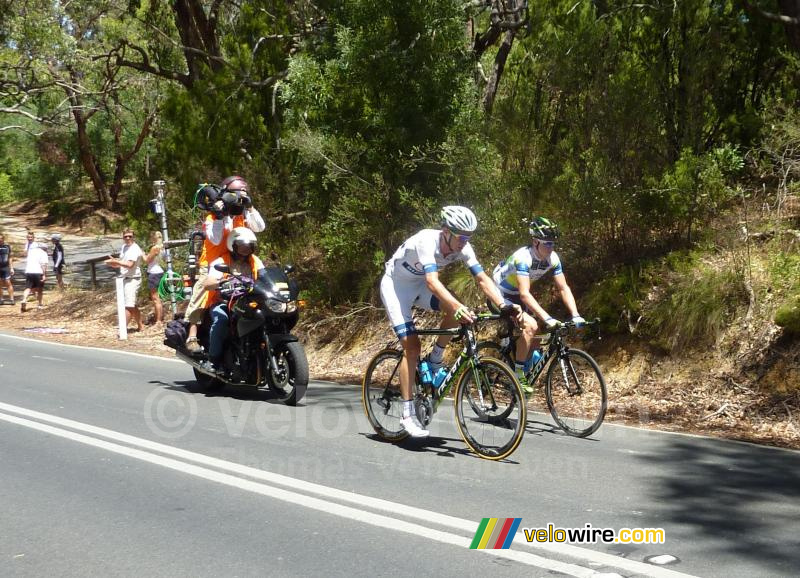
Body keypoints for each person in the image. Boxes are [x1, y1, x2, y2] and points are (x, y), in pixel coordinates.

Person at [380, 206, 522, 437]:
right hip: (396, 287)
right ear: (445, 230)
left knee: (452, 310)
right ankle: (407, 415)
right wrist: (457, 307)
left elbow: (482, 279)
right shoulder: (427, 241)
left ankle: (435, 360)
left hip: (418, 286)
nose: (464, 242)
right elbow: (432, 283)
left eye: (469, 237)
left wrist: (503, 304)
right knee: (412, 346)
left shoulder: (464, 248)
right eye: (461, 237)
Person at [492, 216, 585, 394]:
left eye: (553, 244)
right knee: (531, 325)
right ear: (535, 242)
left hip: (517, 295)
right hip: (499, 294)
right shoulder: (523, 258)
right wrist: (548, 318)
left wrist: (575, 314)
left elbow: (563, 288)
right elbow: (525, 294)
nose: (551, 247)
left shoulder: (553, 258)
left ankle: (521, 360)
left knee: (537, 335)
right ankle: (518, 376)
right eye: (547, 244)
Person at [184, 175, 266, 353]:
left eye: (244, 195)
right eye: (237, 195)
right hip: (213, 261)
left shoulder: (243, 214)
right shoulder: (213, 216)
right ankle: (192, 335)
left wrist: (250, 207)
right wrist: (220, 215)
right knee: (203, 294)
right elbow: (215, 239)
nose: (239, 199)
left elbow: (259, 227)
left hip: (239, 258)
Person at [201, 227, 267, 372]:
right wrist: (221, 283)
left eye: (249, 246)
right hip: (224, 302)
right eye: (242, 245)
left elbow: (266, 277)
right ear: (233, 245)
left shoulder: (255, 261)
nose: (245, 249)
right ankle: (213, 361)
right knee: (222, 320)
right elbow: (207, 283)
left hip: (248, 302)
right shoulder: (222, 260)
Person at [104, 228, 145, 332]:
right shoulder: (124, 247)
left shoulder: (135, 249)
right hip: (124, 278)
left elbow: (130, 265)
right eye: (125, 236)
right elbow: (122, 263)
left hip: (132, 279)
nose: (127, 238)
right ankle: (141, 326)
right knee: (131, 304)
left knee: (128, 305)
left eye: (130, 236)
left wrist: (117, 262)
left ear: (133, 237)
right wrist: (114, 263)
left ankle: (123, 329)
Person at [20, 238, 48, 312]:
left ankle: (24, 299)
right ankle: (40, 304)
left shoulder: (31, 252)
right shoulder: (43, 253)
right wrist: (44, 274)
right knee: (40, 289)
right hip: (38, 272)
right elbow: (43, 265)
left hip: (29, 271)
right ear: (44, 248)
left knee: (28, 287)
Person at [144, 231, 165, 324]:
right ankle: (158, 317)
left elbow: (147, 260)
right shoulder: (162, 247)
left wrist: (142, 253)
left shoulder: (155, 248)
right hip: (159, 271)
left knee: (155, 298)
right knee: (157, 297)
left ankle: (158, 321)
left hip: (154, 273)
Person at [0, 233, 15, 305]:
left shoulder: (7, 247)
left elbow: (10, 258)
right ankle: (1, 299)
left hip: (5, 267)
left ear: (3, 239)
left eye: (1, 239)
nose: (0, 240)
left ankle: (12, 299)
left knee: (8, 282)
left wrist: (11, 268)